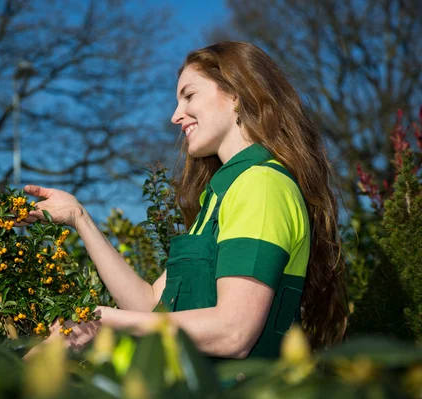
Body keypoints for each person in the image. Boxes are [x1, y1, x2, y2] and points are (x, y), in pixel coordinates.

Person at [19, 41, 348, 361]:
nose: (176, 116)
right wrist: (80, 218)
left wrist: (106, 322)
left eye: (188, 95)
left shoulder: (260, 185)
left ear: (236, 95)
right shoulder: (223, 196)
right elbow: (150, 306)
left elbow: (233, 333)